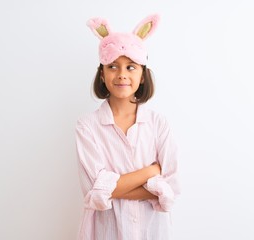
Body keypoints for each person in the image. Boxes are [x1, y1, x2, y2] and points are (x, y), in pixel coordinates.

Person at [75, 14, 180, 240]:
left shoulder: (158, 124)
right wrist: (151, 173)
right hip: (106, 233)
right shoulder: (87, 126)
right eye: (113, 66)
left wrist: (114, 187)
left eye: (131, 67)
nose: (121, 74)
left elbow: (171, 187)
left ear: (142, 76)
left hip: (152, 231)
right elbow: (93, 191)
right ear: (102, 74)